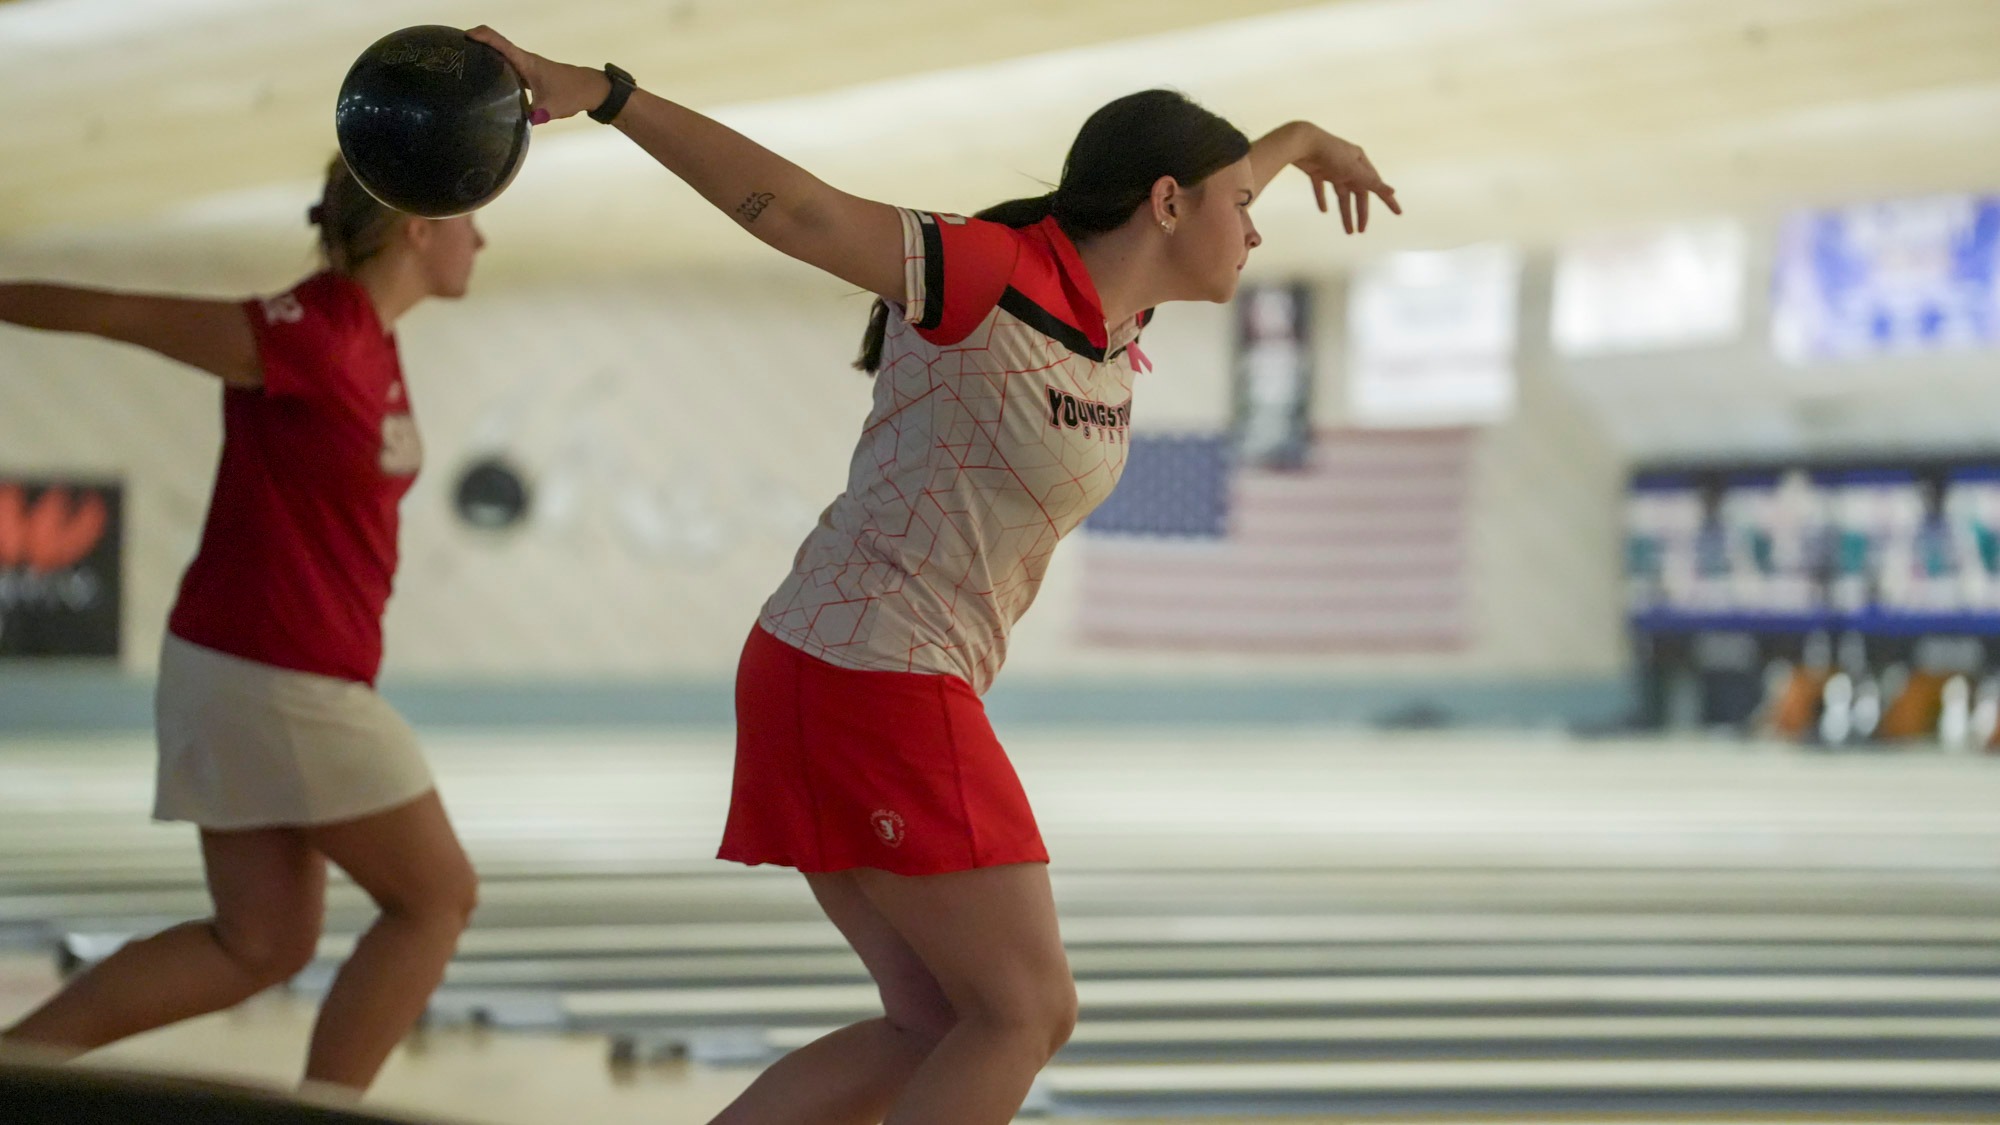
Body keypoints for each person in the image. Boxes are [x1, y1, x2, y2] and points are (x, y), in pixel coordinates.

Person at [468, 25, 1398, 1124]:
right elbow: (796, 209)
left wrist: (1306, 143)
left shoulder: (1114, 314)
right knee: (1023, 1011)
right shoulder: (990, 275)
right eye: (1238, 202)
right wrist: (612, 95)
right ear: (1164, 203)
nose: (1252, 226)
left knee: (935, 1026)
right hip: (875, 671)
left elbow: (1231, 169)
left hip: (841, 665)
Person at [0, 157, 485, 1095]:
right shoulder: (316, 331)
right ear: (420, 229)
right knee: (435, 898)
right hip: (277, 669)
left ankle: (15, 1068)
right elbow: (121, 313)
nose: (482, 239)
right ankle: (328, 1111)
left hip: (260, 665)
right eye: (470, 219)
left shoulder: (373, 341)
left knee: (258, 941)